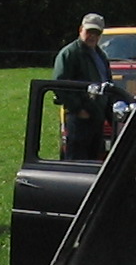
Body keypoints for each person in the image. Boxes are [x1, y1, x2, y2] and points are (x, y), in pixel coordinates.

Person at [51, 14, 119, 161]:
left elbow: (107, 85)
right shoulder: (70, 53)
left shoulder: (100, 55)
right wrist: (78, 109)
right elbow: (59, 84)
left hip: (97, 119)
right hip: (79, 120)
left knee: (93, 162)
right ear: (81, 29)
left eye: (96, 33)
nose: (92, 36)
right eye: (89, 31)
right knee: (76, 162)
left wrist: (110, 115)